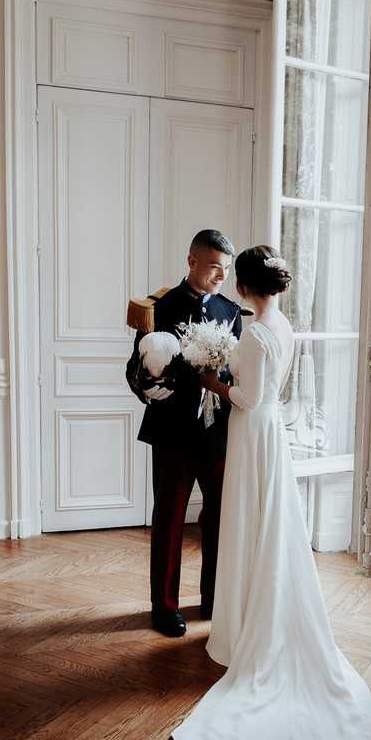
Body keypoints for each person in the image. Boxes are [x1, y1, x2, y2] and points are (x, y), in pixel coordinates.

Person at [171, 245, 371, 740]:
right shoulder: (284, 324)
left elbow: (247, 397)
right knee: (267, 526)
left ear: (246, 285)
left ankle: (246, 626)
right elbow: (268, 390)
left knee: (249, 525)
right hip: (271, 436)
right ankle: (256, 610)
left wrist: (213, 382)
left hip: (253, 432)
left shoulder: (252, 332)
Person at [126, 230, 242, 638]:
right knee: (170, 518)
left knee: (218, 518)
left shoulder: (231, 311)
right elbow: (134, 371)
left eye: (226, 269)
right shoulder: (159, 307)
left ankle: (213, 599)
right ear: (191, 261)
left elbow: (236, 372)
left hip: (218, 433)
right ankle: (165, 607)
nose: (220, 276)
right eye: (214, 266)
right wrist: (148, 386)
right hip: (173, 431)